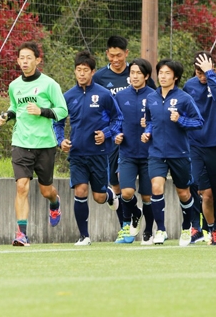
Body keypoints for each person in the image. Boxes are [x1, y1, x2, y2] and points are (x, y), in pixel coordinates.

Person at [0, 42, 69, 246]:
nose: (25, 61)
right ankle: (21, 234)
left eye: (29, 57)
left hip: (45, 144)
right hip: (21, 142)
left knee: (46, 190)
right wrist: (6, 116)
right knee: (21, 186)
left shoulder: (50, 84)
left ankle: (55, 203)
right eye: (22, 58)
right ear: (18, 60)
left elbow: (62, 110)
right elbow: (14, 107)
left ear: (38, 60)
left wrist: (42, 111)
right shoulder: (14, 86)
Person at [54, 51, 123, 245]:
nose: (82, 74)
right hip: (77, 154)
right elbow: (58, 123)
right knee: (80, 190)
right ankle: (84, 236)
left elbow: (118, 119)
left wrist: (106, 133)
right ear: (75, 72)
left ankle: (109, 194)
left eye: (85, 70)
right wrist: (61, 140)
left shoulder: (104, 94)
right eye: (78, 70)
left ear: (92, 72)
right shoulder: (67, 96)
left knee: (99, 197)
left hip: (99, 153)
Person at [93, 35, 154, 230]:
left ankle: (126, 227)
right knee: (116, 185)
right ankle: (132, 216)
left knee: (138, 190)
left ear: (126, 54)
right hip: (113, 137)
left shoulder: (138, 73)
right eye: (111, 56)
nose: (116, 59)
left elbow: (153, 103)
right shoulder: (100, 77)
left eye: (119, 55)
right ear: (107, 54)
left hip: (138, 140)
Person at [142, 59, 204, 246]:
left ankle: (187, 228)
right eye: (161, 72)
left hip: (179, 153)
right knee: (156, 188)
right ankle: (160, 230)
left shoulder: (185, 98)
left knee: (184, 193)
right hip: (157, 152)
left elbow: (199, 122)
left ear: (175, 77)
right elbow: (150, 120)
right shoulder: (151, 98)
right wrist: (147, 132)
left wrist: (181, 119)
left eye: (167, 73)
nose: (163, 76)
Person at [183, 52, 216, 246]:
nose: (201, 76)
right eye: (198, 72)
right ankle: (197, 227)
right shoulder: (189, 85)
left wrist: (210, 74)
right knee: (193, 184)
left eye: (204, 72)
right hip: (195, 144)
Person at [113, 58, 156, 244]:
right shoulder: (120, 96)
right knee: (127, 193)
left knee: (147, 196)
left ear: (146, 76)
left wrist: (150, 129)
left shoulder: (155, 96)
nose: (135, 76)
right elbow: (113, 120)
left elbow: (161, 123)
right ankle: (135, 213)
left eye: (139, 73)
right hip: (127, 153)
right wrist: (116, 134)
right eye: (132, 73)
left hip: (149, 155)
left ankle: (148, 231)